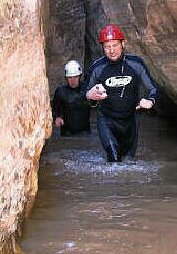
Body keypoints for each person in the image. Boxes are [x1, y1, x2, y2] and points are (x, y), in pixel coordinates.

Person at [81, 24, 158, 162]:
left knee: (128, 162)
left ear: (123, 43)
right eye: (107, 47)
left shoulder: (136, 64)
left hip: (131, 120)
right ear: (102, 48)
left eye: (115, 45)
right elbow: (82, 93)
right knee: (114, 160)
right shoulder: (97, 68)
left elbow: (153, 88)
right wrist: (89, 95)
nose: (111, 50)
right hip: (107, 120)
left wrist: (150, 101)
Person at [52, 60, 91, 136]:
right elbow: (55, 109)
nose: (73, 80)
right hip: (67, 131)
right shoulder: (61, 92)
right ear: (66, 78)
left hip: (84, 131)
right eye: (70, 77)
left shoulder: (87, 89)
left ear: (79, 76)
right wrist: (56, 117)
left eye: (75, 77)